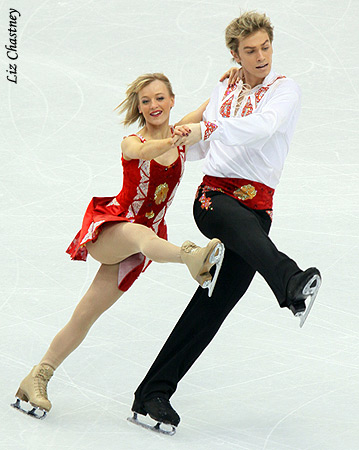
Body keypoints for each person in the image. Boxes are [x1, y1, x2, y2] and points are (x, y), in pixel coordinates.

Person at [130, 11, 322, 431]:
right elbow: (201, 149)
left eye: (265, 47)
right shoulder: (224, 87)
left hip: (257, 216)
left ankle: (152, 394)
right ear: (235, 53)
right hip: (214, 199)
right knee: (239, 232)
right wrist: (185, 137)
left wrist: (207, 127)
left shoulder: (284, 90)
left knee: (211, 308)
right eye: (250, 50)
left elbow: (263, 128)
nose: (260, 57)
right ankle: (289, 281)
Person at [11, 72, 225, 419]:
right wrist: (173, 141)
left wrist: (230, 80)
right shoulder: (133, 141)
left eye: (160, 98)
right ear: (139, 108)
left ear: (172, 100)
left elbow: (210, 109)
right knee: (141, 234)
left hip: (144, 245)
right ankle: (193, 257)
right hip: (114, 229)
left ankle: (36, 376)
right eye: (146, 101)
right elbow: (145, 150)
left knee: (85, 316)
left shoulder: (179, 133)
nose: (154, 105)